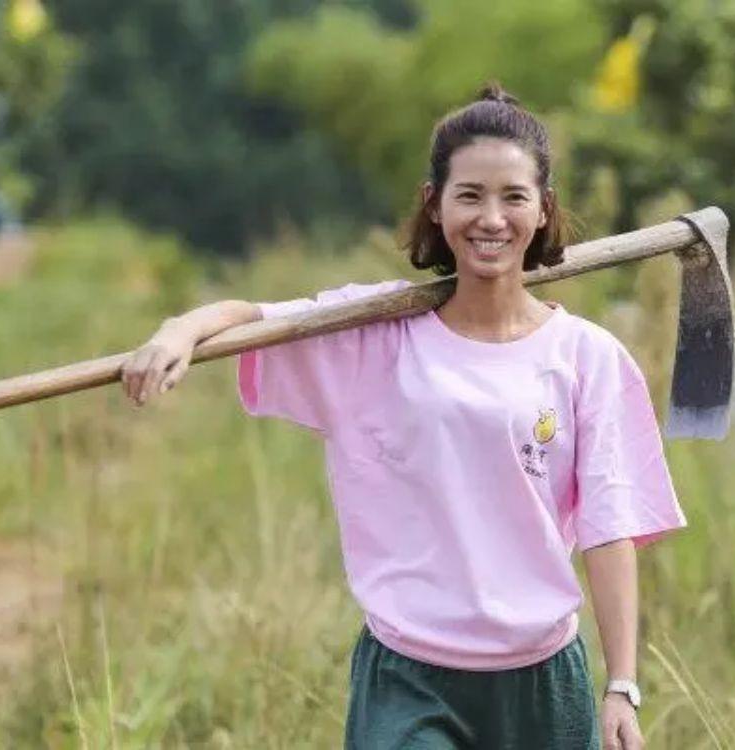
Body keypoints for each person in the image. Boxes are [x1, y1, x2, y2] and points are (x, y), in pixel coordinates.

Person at [120, 84, 686, 750]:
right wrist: (179, 330)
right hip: (410, 676)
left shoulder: (586, 357)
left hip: (542, 679)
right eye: (469, 195)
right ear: (435, 205)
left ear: (543, 211)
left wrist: (621, 684)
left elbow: (607, 527)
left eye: (513, 197)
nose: (491, 219)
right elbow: (253, 320)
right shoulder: (376, 334)